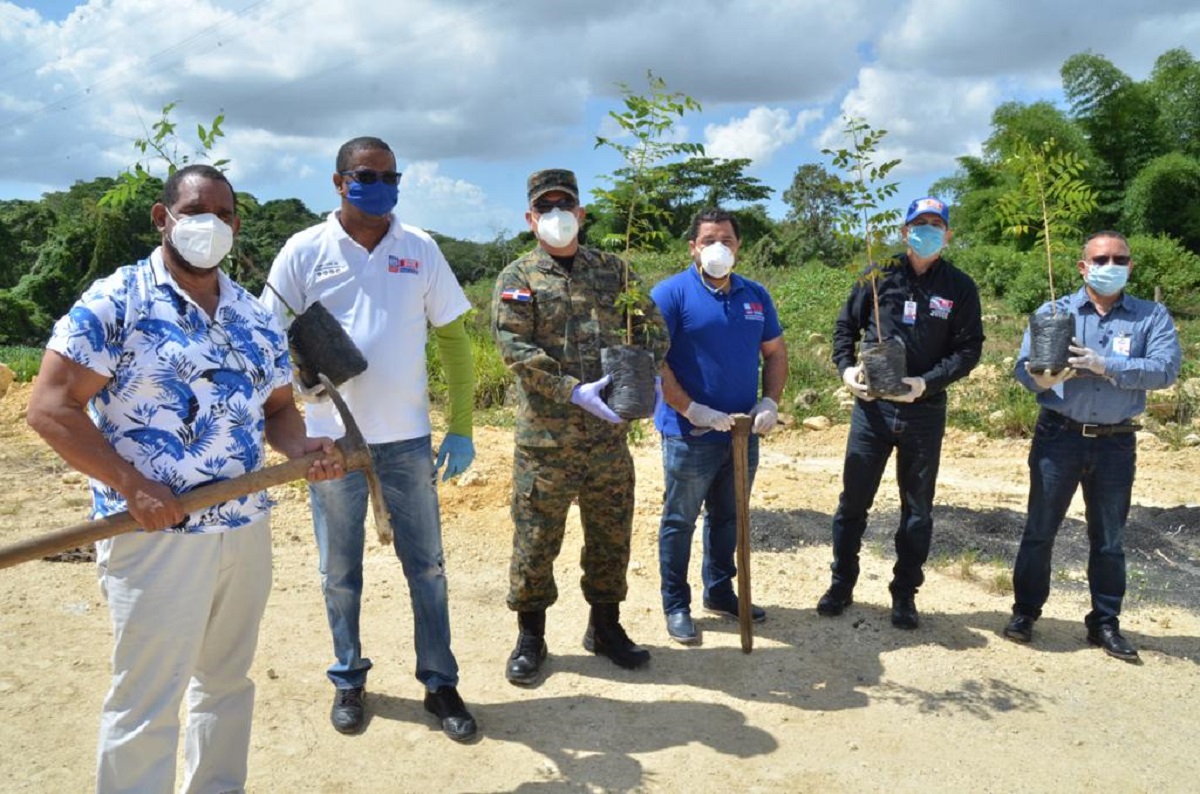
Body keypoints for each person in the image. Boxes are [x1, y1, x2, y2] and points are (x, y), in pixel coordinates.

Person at [26, 164, 343, 793]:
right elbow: (50, 407)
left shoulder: (252, 316)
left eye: (225, 215)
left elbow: (276, 408)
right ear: (162, 217)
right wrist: (131, 483)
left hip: (243, 529)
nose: (212, 225)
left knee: (226, 683)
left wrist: (302, 446)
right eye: (197, 211)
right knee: (147, 696)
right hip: (154, 535)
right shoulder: (116, 301)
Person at [261, 136, 479, 740]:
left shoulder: (420, 248)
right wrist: (299, 390)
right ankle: (348, 678)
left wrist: (460, 425)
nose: (380, 185)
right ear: (338, 182)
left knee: (427, 568)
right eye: (366, 175)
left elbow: (456, 341)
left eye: (390, 175)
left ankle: (440, 683)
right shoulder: (303, 252)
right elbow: (264, 337)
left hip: (406, 441)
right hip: (328, 442)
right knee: (339, 569)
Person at [491, 168, 669, 685]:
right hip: (545, 442)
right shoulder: (518, 278)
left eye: (564, 206)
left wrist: (646, 371)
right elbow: (516, 350)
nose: (556, 216)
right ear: (529, 219)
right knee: (536, 540)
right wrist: (572, 390)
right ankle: (531, 637)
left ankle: (606, 628)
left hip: (607, 437)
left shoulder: (614, 270)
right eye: (544, 208)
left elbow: (652, 326)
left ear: (581, 213)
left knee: (611, 536)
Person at [1003, 231, 1181, 661]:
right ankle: (1025, 613)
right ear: (1083, 266)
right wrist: (1040, 375)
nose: (1110, 265)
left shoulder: (1149, 317)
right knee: (1039, 531)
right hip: (1058, 437)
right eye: (1101, 259)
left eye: (1120, 258)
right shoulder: (1054, 311)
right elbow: (1023, 369)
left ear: (1130, 266)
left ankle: (1104, 623)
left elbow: (1165, 368)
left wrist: (1107, 366)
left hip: (1115, 443)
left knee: (1109, 540)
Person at [818, 196, 984, 629]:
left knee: (917, 510)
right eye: (918, 223)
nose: (926, 230)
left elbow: (970, 349)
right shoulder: (878, 276)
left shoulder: (960, 287)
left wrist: (927, 382)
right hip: (870, 412)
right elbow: (844, 328)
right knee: (853, 503)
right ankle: (841, 584)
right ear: (904, 231)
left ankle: (905, 593)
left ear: (947, 233)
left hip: (923, 413)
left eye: (935, 224)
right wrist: (846, 368)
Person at [650, 208, 788, 645]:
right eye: (709, 239)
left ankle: (721, 590)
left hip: (741, 432)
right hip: (690, 433)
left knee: (729, 517)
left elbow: (776, 352)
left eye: (726, 240)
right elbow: (657, 361)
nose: (718, 247)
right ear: (692, 246)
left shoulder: (755, 296)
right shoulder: (671, 295)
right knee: (680, 519)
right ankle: (676, 604)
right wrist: (691, 409)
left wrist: (770, 400)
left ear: (738, 247)